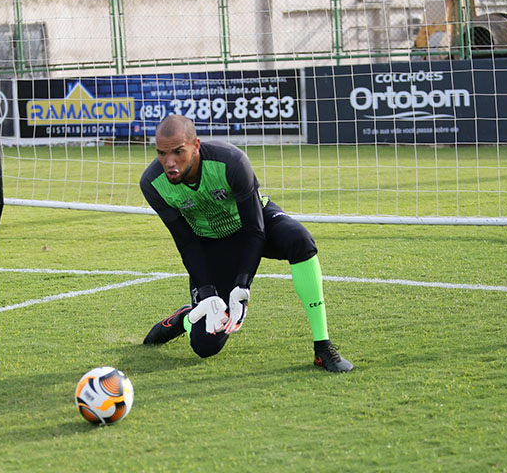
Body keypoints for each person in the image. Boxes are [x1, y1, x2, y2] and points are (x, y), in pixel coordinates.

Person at [139, 115, 353, 372]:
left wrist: (242, 286)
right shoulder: (152, 184)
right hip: (211, 243)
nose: (169, 162)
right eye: (162, 154)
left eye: (178, 152)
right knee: (205, 346)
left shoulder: (231, 161)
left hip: (255, 224)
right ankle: (185, 317)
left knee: (300, 241)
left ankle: (323, 347)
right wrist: (207, 293)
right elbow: (186, 242)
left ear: (196, 145)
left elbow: (255, 229)